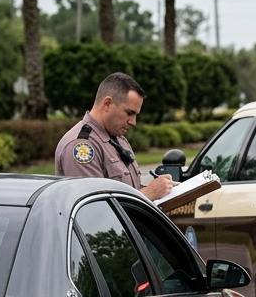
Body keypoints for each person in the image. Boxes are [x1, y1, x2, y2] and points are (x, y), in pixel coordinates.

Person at [54, 72, 174, 201]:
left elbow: (129, 190)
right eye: (129, 113)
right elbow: (95, 209)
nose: (133, 122)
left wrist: (163, 190)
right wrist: (148, 194)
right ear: (107, 104)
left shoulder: (118, 140)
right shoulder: (82, 146)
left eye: (135, 115)